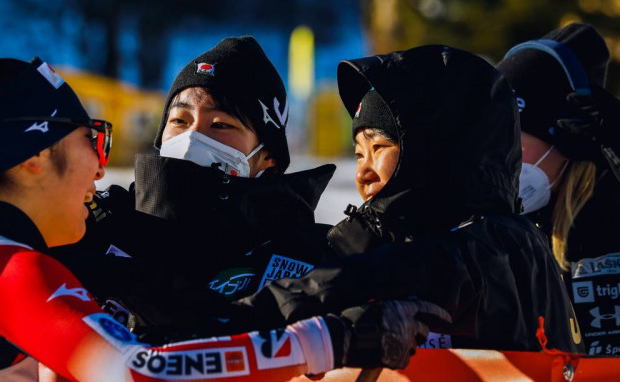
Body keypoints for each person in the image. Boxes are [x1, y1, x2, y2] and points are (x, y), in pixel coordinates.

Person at [0, 56, 449, 380]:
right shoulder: (11, 271)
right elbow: (140, 370)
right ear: (32, 158)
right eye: (92, 142)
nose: (101, 172)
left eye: (222, 124)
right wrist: (330, 338)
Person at [240, 45, 583, 353]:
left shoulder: (496, 244)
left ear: (433, 151)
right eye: (359, 154)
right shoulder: (416, 239)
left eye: (380, 148)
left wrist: (247, 316)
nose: (364, 172)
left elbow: (403, 272)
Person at [52, 36, 338, 332]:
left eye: (220, 125)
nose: (192, 137)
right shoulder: (94, 223)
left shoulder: (305, 259)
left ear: (268, 158)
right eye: (179, 120)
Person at [497, 23, 620, 356]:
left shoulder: (610, 216)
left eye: (514, 140)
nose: (500, 157)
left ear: (568, 139)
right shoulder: (502, 229)